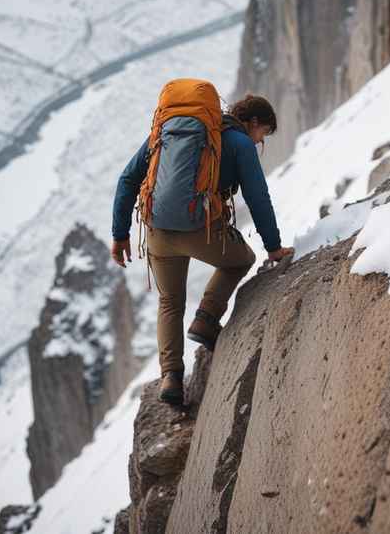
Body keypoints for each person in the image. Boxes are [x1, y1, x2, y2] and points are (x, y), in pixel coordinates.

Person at [110, 92, 295, 404]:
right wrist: (274, 247)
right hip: (199, 229)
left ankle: (170, 377)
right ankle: (207, 318)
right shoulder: (239, 143)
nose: (260, 141)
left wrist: (120, 235)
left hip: (155, 229)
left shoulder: (169, 130)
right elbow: (257, 197)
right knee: (240, 260)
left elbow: (128, 178)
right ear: (251, 123)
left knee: (169, 301)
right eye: (263, 133)